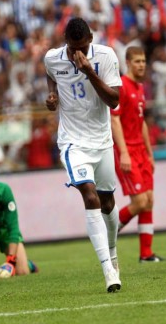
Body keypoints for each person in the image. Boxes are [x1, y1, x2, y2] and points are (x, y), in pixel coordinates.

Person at [44, 17, 122, 292]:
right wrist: (52, 95)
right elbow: (50, 74)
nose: (78, 53)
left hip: (101, 142)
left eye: (83, 46)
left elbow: (114, 100)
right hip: (72, 143)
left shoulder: (105, 56)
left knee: (108, 203)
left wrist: (89, 71)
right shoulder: (53, 58)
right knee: (89, 197)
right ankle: (108, 271)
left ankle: (112, 252)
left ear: (91, 38)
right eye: (73, 47)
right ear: (66, 41)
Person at [110, 46, 165, 262]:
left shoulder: (140, 88)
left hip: (141, 151)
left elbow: (141, 123)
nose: (141, 64)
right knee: (140, 201)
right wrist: (123, 153)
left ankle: (146, 254)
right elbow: (114, 120)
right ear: (128, 63)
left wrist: (150, 153)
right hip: (127, 151)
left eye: (143, 61)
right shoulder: (121, 86)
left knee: (149, 200)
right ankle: (109, 231)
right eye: (137, 61)